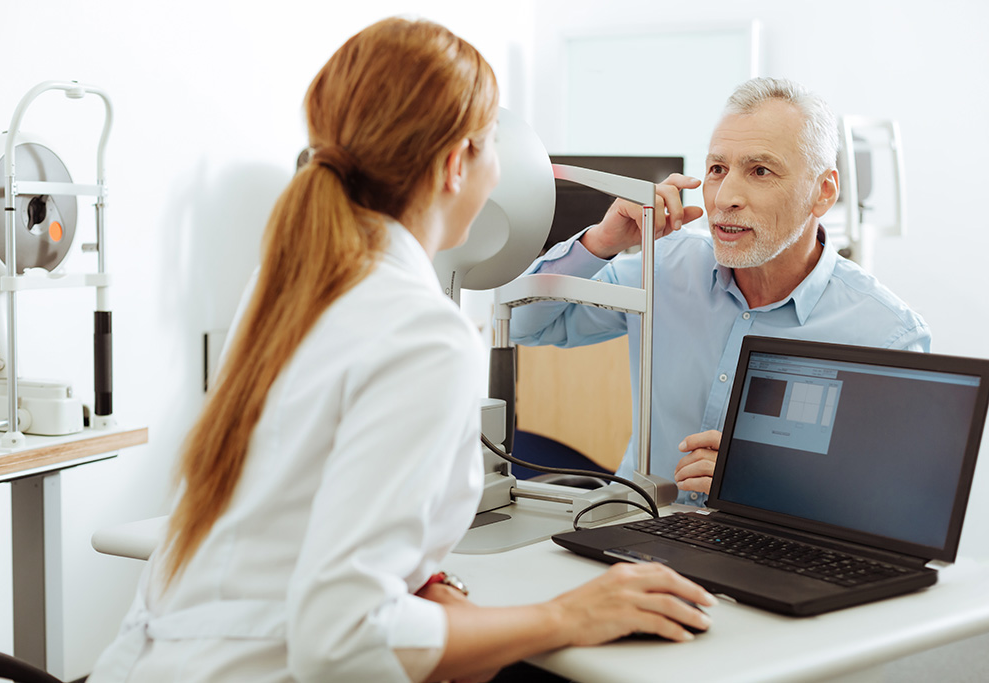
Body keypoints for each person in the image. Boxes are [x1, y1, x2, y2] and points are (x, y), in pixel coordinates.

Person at [88, 17, 714, 683]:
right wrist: (569, 615)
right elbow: (341, 639)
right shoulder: (423, 334)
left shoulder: (283, 285)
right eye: (495, 143)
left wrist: (422, 579)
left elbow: (305, 509)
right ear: (455, 166)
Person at [511, 77, 930, 507]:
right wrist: (600, 242)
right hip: (633, 530)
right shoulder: (665, 267)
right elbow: (525, 324)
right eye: (717, 169)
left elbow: (895, 506)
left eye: (760, 170)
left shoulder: (885, 334)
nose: (726, 196)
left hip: (773, 559)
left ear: (822, 192)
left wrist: (766, 488)